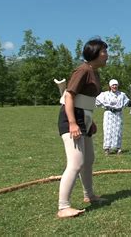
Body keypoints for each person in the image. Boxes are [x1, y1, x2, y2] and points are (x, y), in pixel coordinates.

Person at [56, 38, 108, 218]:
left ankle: (89, 195)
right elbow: (69, 96)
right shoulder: (83, 70)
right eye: (104, 51)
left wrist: (89, 121)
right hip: (71, 118)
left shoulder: (94, 72)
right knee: (76, 162)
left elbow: (85, 102)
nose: (107, 55)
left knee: (89, 159)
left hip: (83, 118)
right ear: (94, 53)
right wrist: (72, 123)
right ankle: (63, 207)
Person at [95, 79, 130, 155]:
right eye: (113, 85)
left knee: (118, 131)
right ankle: (107, 148)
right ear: (110, 86)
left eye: (116, 85)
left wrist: (122, 106)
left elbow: (127, 101)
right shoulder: (105, 94)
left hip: (118, 113)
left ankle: (118, 147)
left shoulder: (122, 94)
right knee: (108, 130)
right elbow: (97, 101)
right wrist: (103, 105)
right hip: (109, 113)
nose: (114, 86)